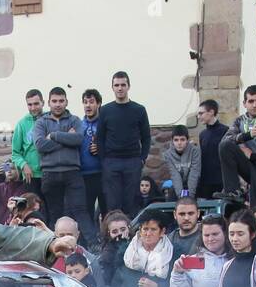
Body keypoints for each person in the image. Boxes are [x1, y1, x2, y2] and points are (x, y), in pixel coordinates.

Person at [32, 87, 90, 241]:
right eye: (54, 101)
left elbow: (78, 139)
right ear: (49, 103)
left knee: (80, 210)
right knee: (54, 214)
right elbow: (40, 145)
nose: (58, 104)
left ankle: (91, 246)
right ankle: (52, 246)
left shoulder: (75, 120)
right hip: (50, 174)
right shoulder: (40, 122)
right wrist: (66, 140)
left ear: (66, 102)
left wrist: (55, 136)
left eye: (61, 101)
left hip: (72, 172)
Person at [95, 71, 151, 217]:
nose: (120, 88)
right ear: (112, 87)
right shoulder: (105, 110)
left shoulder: (139, 110)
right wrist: (104, 160)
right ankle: (113, 236)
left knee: (131, 202)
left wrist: (142, 158)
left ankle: (131, 235)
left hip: (132, 161)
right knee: (112, 203)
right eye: (117, 85)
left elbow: (146, 137)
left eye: (123, 85)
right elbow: (100, 137)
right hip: (111, 162)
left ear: (128, 86)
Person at [97, 210, 134, 287]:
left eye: (123, 229)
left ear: (128, 228)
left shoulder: (138, 245)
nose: (119, 234)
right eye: (114, 231)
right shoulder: (107, 254)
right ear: (108, 233)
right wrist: (124, 245)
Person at [11, 89, 45, 202]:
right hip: (30, 177)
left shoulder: (49, 119)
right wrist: (24, 165)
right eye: (29, 104)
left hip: (49, 173)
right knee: (34, 210)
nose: (33, 108)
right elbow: (15, 153)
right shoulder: (21, 124)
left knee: (52, 210)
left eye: (36, 104)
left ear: (43, 103)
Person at [79, 88, 104, 224]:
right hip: (84, 175)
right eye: (85, 102)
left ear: (99, 104)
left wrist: (101, 148)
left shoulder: (104, 123)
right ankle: (88, 243)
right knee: (86, 211)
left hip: (103, 173)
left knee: (106, 210)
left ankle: (108, 241)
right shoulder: (78, 125)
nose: (88, 105)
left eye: (92, 102)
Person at [196, 98, 226, 201]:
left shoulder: (226, 131)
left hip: (221, 180)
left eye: (201, 113)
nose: (199, 117)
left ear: (211, 112)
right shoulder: (202, 134)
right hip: (205, 181)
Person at [164, 124, 201, 201]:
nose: (179, 143)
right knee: (171, 196)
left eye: (182, 139)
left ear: (187, 140)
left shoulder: (195, 151)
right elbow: (175, 175)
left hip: (195, 184)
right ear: (172, 141)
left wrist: (190, 197)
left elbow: (194, 173)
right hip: (178, 185)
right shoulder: (168, 154)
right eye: (176, 140)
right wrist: (181, 197)